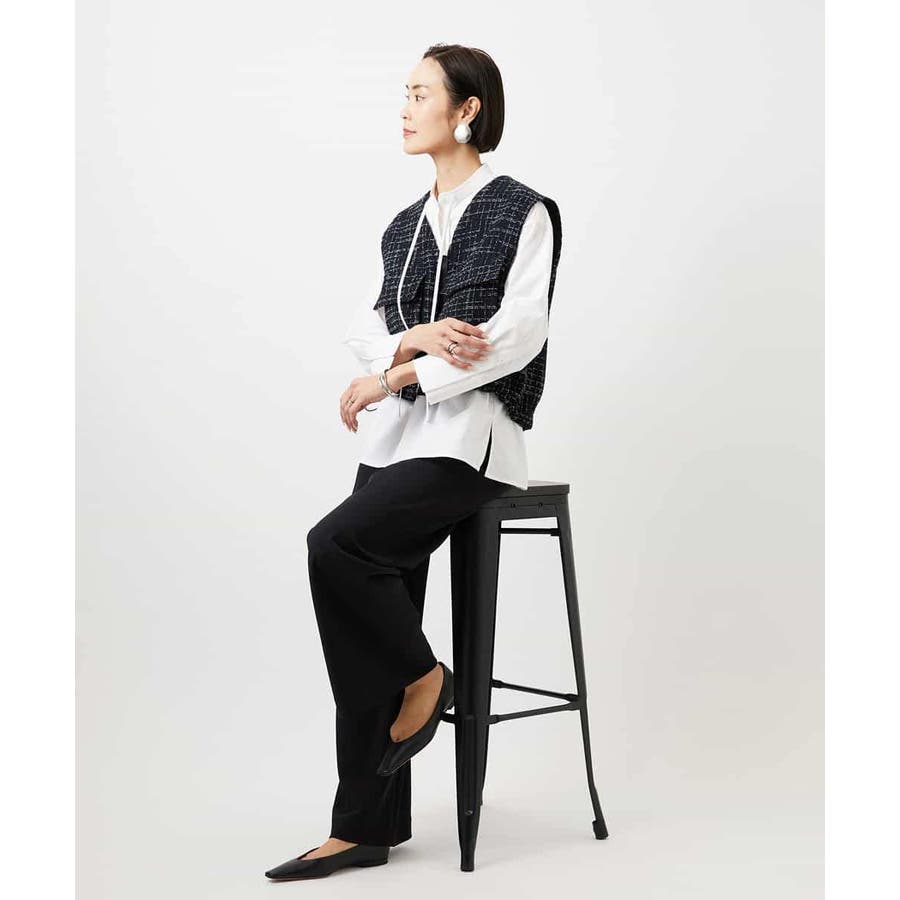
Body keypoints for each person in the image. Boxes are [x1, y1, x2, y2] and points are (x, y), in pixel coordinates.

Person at [265, 42, 562, 882]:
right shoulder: (402, 225)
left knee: (336, 545)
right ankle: (363, 826)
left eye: (420, 93)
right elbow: (365, 326)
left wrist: (397, 372)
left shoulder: (523, 211)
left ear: (467, 110)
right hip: (397, 443)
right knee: (357, 599)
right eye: (404, 92)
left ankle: (429, 676)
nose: (404, 107)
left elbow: (514, 337)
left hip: (473, 442)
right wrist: (408, 339)